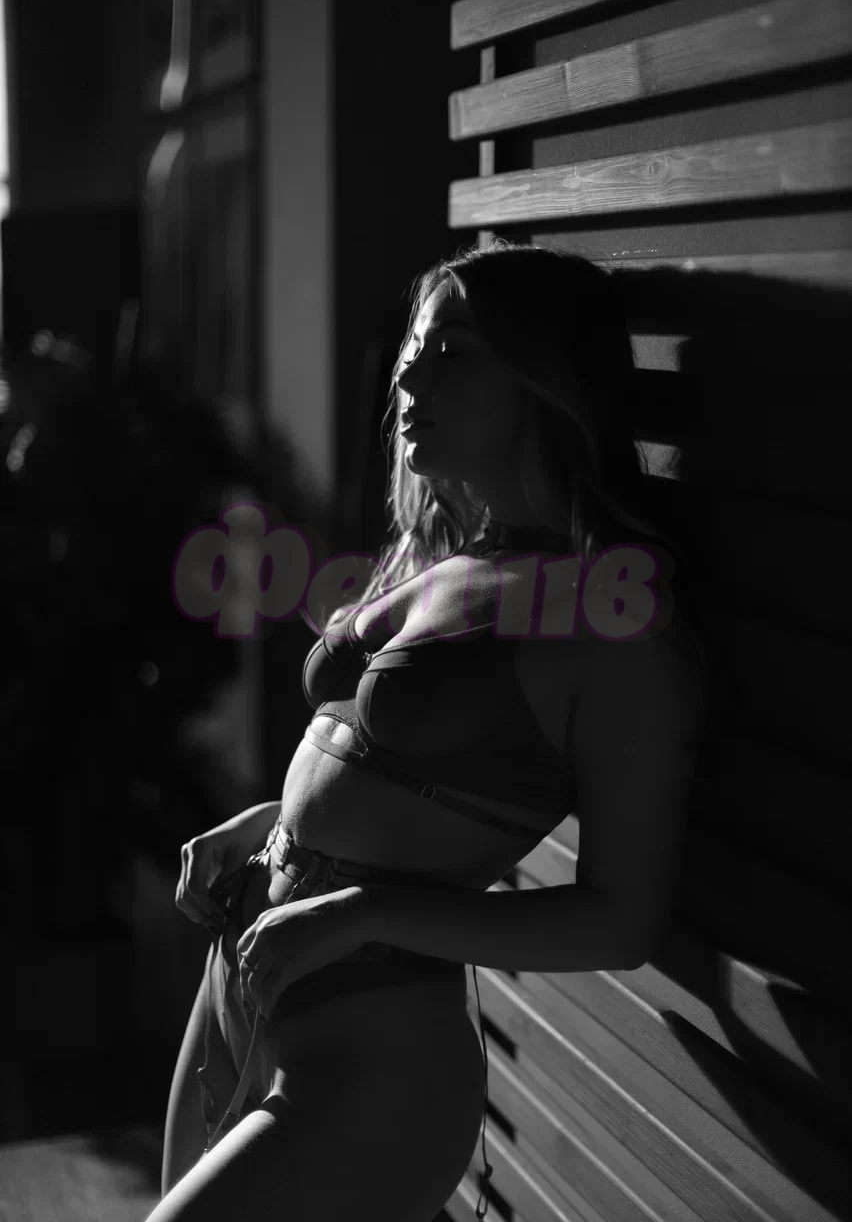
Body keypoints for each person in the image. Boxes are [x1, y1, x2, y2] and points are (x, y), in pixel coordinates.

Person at [149, 241, 707, 1222]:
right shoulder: (443, 558)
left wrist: (361, 912)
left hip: (372, 1061)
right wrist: (272, 826)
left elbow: (621, 920)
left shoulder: (613, 626)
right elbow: (391, 783)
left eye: (451, 353)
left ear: (545, 376)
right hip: (245, 980)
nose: (408, 377)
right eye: (414, 351)